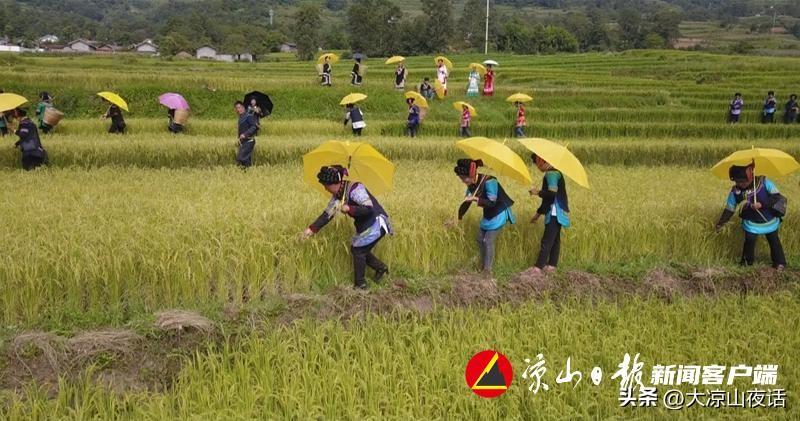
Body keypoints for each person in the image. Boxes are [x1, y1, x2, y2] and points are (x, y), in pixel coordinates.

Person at [303, 165, 392, 290]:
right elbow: (327, 215)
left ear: (335, 183)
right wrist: (311, 229)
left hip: (376, 223)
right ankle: (381, 268)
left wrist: (349, 208)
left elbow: (369, 208)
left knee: (359, 251)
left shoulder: (355, 189)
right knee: (360, 250)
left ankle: (360, 284)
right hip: (366, 225)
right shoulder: (339, 196)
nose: (325, 189)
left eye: (326, 186)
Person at [715, 164, 786, 269]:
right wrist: (721, 223)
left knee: (774, 240)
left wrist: (762, 204)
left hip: (769, 220)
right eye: (738, 182)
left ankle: (780, 263)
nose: (741, 184)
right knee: (749, 241)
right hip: (751, 223)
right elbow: (730, 209)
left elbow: (777, 197)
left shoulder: (764, 182)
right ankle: (746, 264)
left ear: (750, 176)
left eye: (743, 181)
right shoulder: (736, 191)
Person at [454, 159, 515, 274]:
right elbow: (466, 203)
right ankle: (483, 266)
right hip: (488, 214)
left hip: (499, 212)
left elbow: (492, 202)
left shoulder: (490, 181)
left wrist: (476, 198)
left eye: (463, 178)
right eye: (461, 178)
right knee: (479, 238)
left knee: (488, 240)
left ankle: (487, 270)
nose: (462, 181)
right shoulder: (472, 185)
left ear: (471, 174)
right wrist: (458, 217)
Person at [528, 153, 570, 274]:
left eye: (536, 163)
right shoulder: (556, 173)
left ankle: (538, 268)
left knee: (547, 240)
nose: (537, 167)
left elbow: (551, 194)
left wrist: (537, 192)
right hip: (558, 211)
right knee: (555, 239)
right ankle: (552, 266)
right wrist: (537, 214)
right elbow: (548, 199)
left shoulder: (551, 174)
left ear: (541, 161)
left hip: (554, 211)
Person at [234, 100, 259, 168]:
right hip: (243, 142)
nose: (238, 109)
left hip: (249, 141)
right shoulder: (240, 118)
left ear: (243, 108)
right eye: (237, 108)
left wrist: (245, 134)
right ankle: (248, 175)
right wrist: (239, 138)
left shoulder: (249, 116)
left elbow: (254, 127)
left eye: (239, 107)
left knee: (241, 158)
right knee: (245, 161)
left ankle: (248, 172)